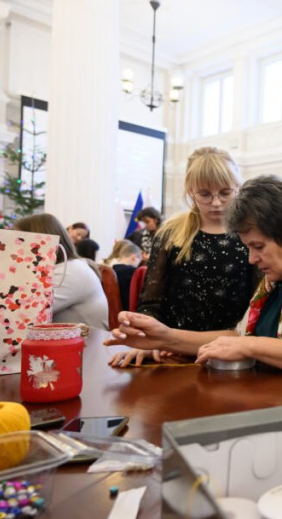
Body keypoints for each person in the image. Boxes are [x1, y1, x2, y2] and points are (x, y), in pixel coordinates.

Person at [106, 175, 282, 385]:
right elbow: (239, 336)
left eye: (258, 246)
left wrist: (248, 346)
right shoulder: (281, 273)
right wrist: (164, 337)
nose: (251, 258)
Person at [109, 147, 256, 366]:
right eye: (205, 194)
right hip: (172, 355)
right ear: (190, 191)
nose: (216, 203)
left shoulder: (251, 233)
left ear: (238, 188)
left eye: (225, 193)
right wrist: (147, 340)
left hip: (231, 354)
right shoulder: (171, 232)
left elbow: (256, 307)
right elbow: (151, 302)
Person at [15, 213, 109, 330]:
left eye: (19, 241)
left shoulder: (69, 271)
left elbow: (22, 313)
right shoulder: (68, 266)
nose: (15, 247)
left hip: (85, 346)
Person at [103, 239, 143, 311]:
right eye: (138, 262)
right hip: (126, 312)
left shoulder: (110, 270)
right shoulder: (132, 272)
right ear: (134, 257)